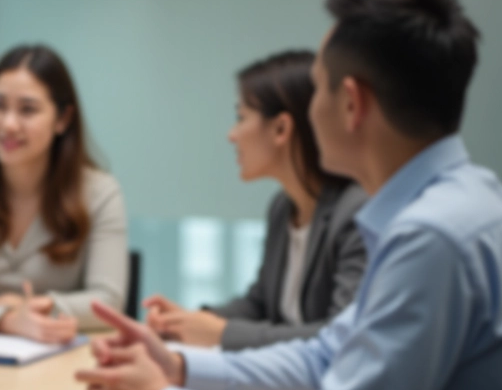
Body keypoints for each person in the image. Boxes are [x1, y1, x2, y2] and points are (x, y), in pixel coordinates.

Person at [75, 0, 502, 390]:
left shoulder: (432, 237)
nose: (311, 109)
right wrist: (180, 366)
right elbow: (329, 353)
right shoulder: (466, 202)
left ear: (351, 103)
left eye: (317, 87)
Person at [143, 51, 368, 351]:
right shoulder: (282, 207)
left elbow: (339, 336)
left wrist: (222, 333)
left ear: (281, 129)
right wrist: (191, 321)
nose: (231, 135)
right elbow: (260, 303)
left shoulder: (356, 212)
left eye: (241, 117)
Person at [0, 44, 128, 343]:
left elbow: (108, 300)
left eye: (27, 109)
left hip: (61, 359)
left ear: (63, 119)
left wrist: (27, 311)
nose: (8, 124)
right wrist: (4, 321)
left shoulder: (100, 193)